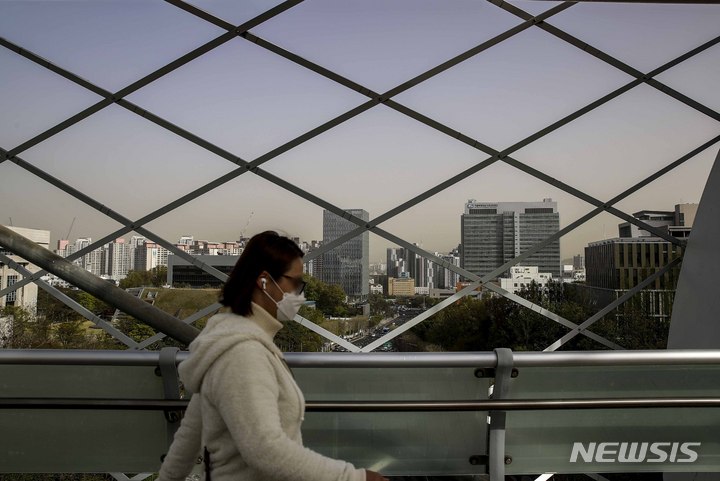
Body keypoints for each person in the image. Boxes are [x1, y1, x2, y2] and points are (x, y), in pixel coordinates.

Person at [158, 231, 388, 481]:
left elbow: (189, 435)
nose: (300, 294)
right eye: (296, 283)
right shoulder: (241, 354)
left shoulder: (231, 343)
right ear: (265, 281)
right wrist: (355, 478)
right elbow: (266, 451)